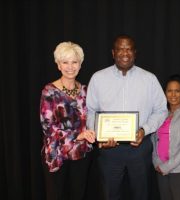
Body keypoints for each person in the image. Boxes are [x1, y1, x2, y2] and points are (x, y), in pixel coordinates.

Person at [86, 34, 168, 200]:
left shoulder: (149, 79)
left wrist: (144, 130)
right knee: (110, 194)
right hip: (109, 151)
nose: (125, 53)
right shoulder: (98, 78)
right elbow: (91, 111)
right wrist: (99, 135)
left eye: (129, 49)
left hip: (139, 148)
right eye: (120, 49)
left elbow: (161, 110)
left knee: (140, 195)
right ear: (113, 52)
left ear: (135, 53)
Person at [40, 41, 96, 200]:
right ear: (58, 65)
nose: (70, 66)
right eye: (65, 62)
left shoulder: (86, 90)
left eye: (74, 62)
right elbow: (47, 127)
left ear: (80, 64)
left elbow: (92, 118)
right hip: (57, 155)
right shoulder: (49, 91)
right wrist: (77, 136)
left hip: (81, 154)